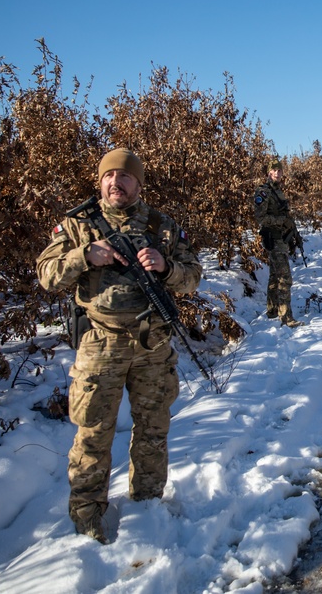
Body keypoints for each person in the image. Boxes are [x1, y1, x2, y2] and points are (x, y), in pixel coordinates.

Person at [36, 148, 203, 543]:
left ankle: (147, 505)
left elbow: (193, 277)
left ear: (138, 183)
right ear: (100, 181)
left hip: (152, 345)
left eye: (125, 176)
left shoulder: (162, 226)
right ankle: (88, 517)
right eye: (109, 176)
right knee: (93, 434)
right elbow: (46, 275)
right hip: (101, 344)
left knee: (152, 430)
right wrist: (83, 256)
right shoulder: (77, 226)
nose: (116, 182)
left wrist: (166, 267)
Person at [252, 159, 303, 327]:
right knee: (284, 278)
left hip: (281, 238)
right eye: (274, 170)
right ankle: (286, 317)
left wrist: (293, 232)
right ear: (269, 172)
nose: (278, 173)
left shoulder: (278, 191)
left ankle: (273, 310)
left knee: (275, 275)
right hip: (273, 238)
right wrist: (281, 221)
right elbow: (261, 218)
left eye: (280, 170)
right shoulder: (264, 192)